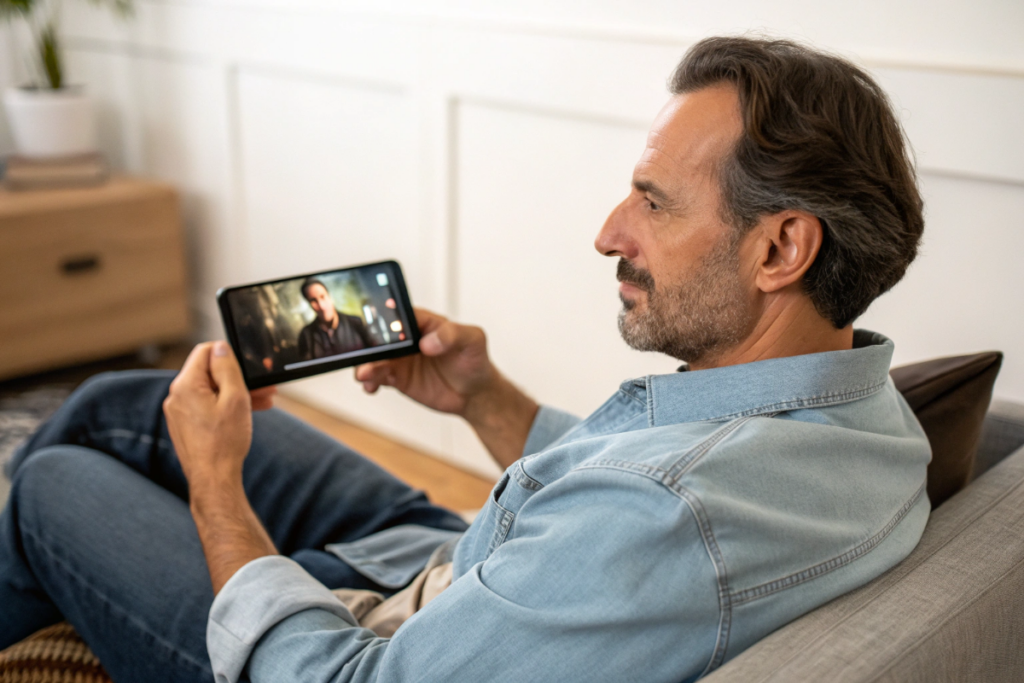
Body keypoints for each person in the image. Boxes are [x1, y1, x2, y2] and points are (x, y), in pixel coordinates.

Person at [0, 36, 929, 683]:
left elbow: (348, 676)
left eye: (654, 203)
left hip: (373, 635)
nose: (609, 233)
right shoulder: (872, 423)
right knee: (124, 404)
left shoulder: (666, 518)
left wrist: (218, 493)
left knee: (56, 480)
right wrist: (483, 398)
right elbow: (623, 501)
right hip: (468, 560)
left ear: (780, 250)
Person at [297, 278, 377, 361]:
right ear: (309, 304)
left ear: (330, 296)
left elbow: (375, 353)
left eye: (322, 296)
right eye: (313, 300)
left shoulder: (356, 323)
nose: (321, 305)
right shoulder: (306, 335)